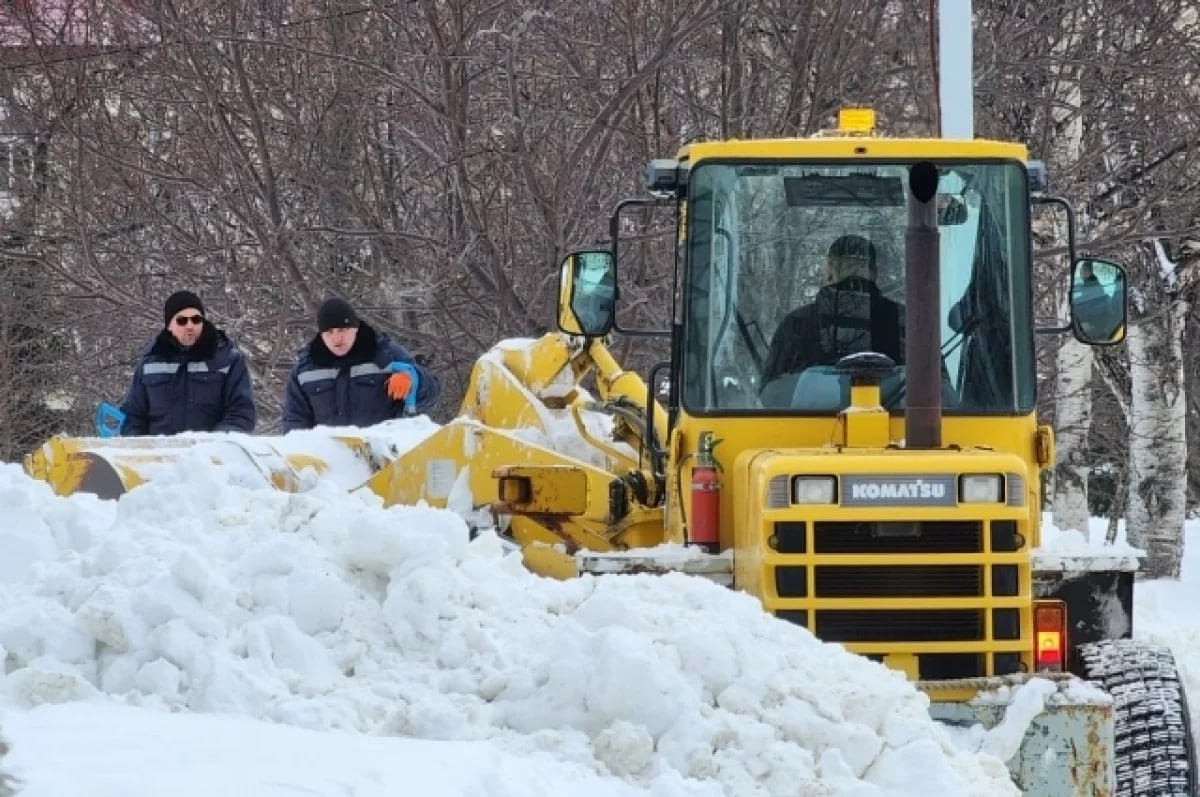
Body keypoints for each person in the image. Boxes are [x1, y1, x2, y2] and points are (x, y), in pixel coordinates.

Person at [760, 235, 905, 400]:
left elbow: (770, 396)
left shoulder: (796, 324)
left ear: (829, 270)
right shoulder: (906, 323)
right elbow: (937, 391)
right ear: (875, 273)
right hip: (898, 424)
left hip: (807, 425)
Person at [282, 297, 440, 431]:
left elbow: (432, 393)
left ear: (355, 329)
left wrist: (414, 381)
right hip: (328, 460)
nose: (337, 338)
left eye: (342, 330)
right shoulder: (305, 370)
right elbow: (295, 421)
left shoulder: (385, 355)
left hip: (383, 455)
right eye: (329, 332)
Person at [120, 290, 257, 435]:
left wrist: (213, 445)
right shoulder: (150, 361)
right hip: (161, 453)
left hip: (211, 454)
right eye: (182, 320)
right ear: (169, 326)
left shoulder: (227, 358)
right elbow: (133, 416)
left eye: (196, 319)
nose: (190, 325)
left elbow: (241, 413)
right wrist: (143, 448)